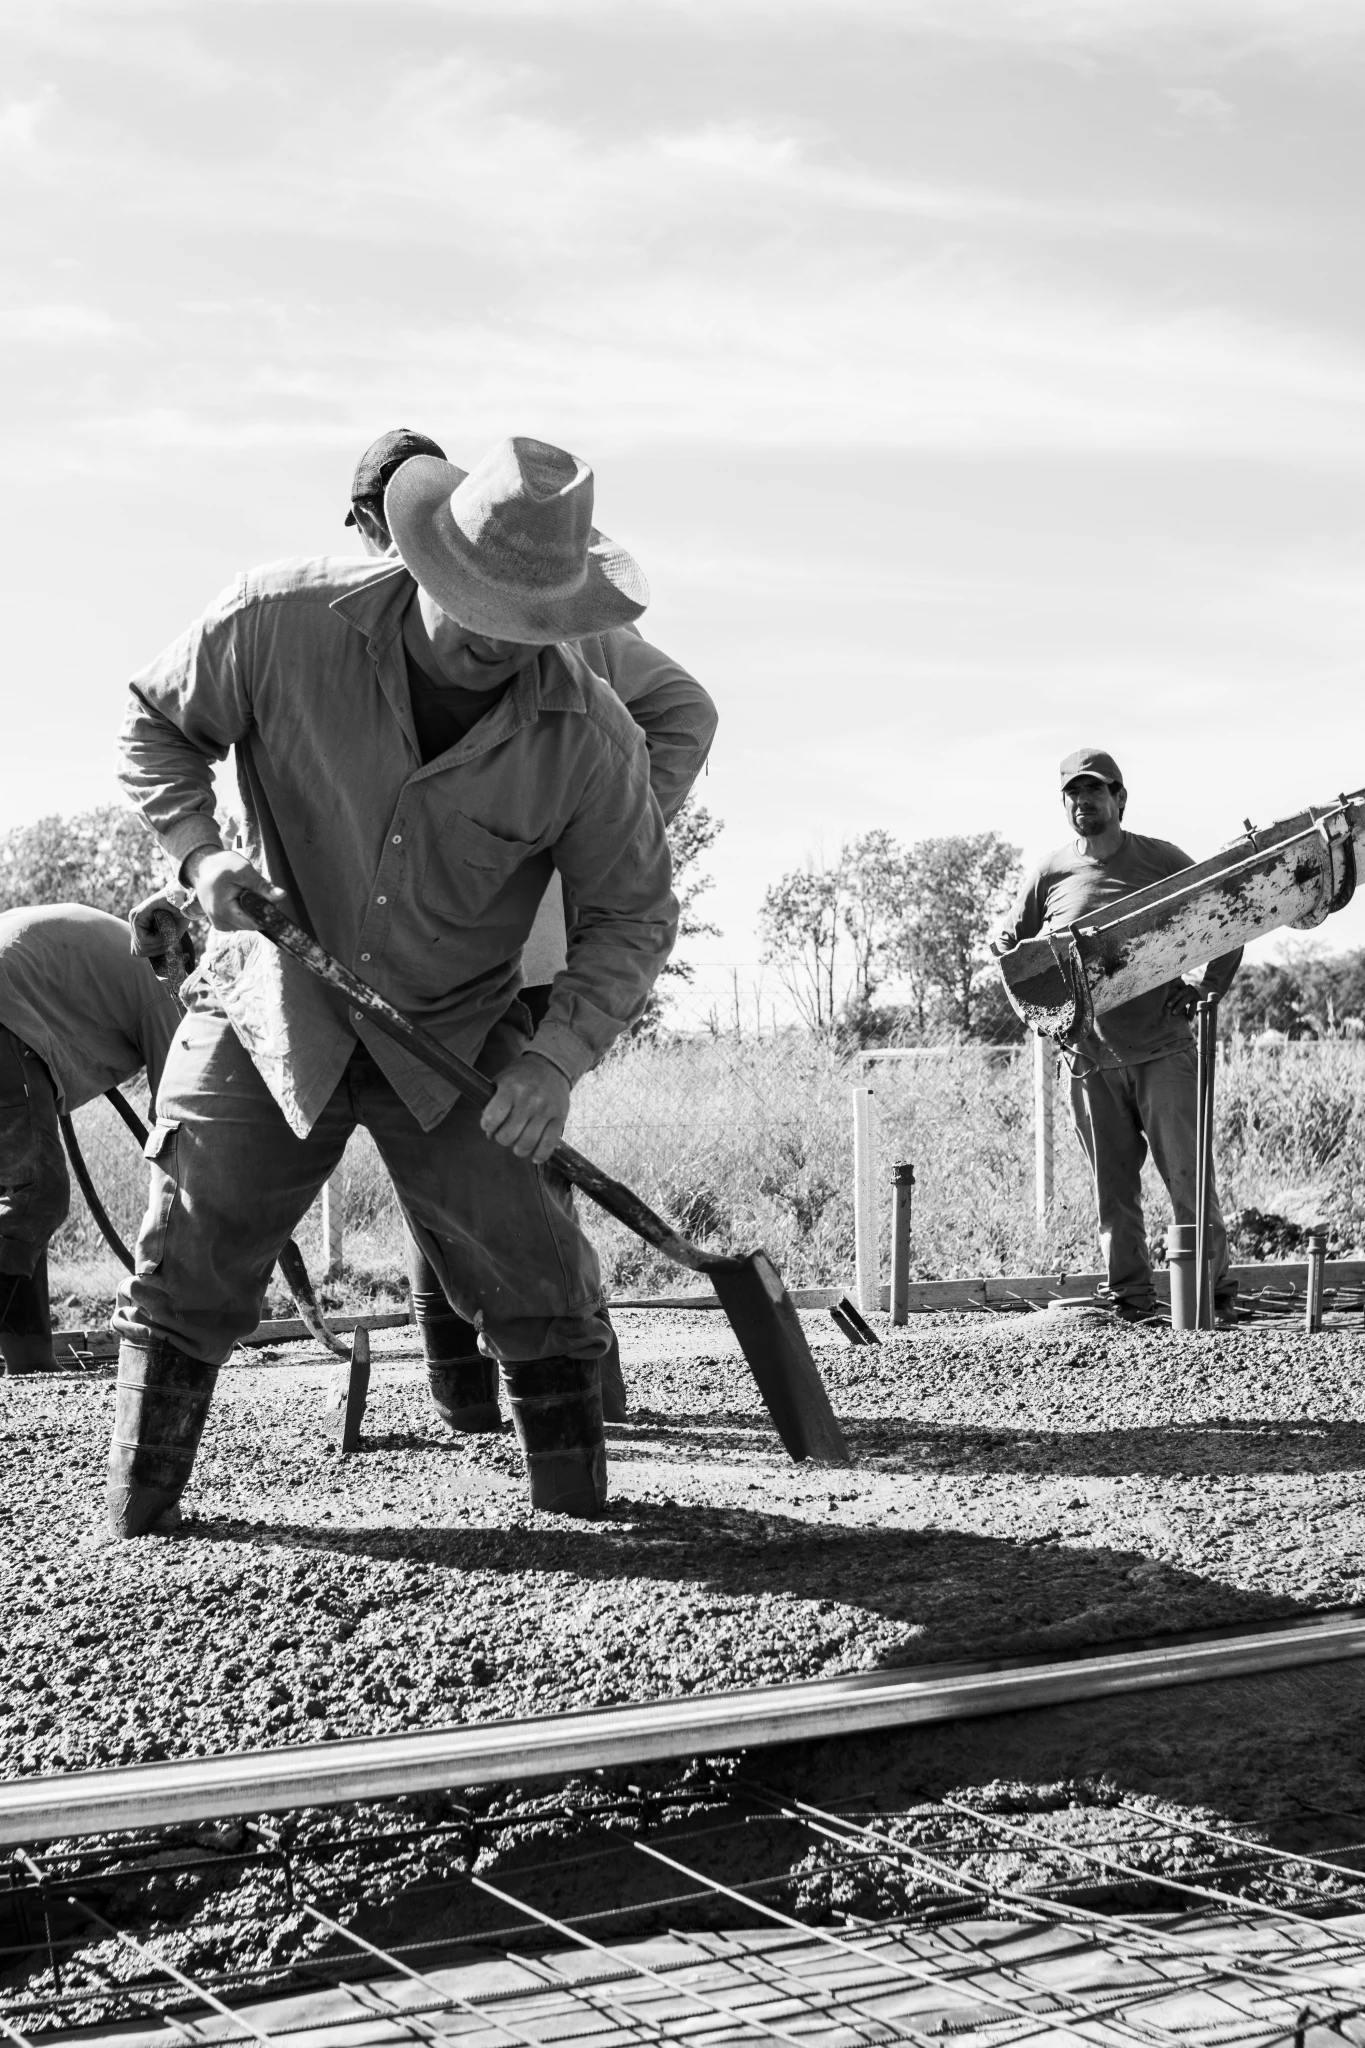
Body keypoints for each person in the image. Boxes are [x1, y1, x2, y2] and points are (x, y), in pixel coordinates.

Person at [112, 435, 679, 1535]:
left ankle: (582, 1517)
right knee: (190, 1241)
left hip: (455, 1031)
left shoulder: (590, 738)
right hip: (277, 998)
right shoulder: (274, 621)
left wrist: (554, 1057)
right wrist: (199, 853)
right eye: (470, 605)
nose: (488, 642)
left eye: (522, 627)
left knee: (534, 1272)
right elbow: (156, 725)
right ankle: (139, 1521)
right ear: (421, 556)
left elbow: (631, 916)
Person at [344, 429, 717, 1432]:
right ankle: (468, 1397)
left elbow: (684, 709)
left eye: (379, 527)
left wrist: (599, 842)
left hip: (518, 952)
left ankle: (578, 1390)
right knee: (447, 1160)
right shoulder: (359, 638)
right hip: (423, 945)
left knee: (507, 1159)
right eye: (369, 532)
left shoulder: (558, 638)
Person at [993, 748, 1242, 1324]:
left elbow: (1230, 909)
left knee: (1189, 1179)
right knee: (1114, 1193)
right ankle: (1131, 1299)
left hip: (1164, 1052)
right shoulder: (1050, 873)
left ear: (1120, 799)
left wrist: (1210, 988)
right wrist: (1010, 952)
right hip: (1087, 1059)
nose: (1083, 802)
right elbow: (1011, 945)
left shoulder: (1160, 859)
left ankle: (1211, 1294)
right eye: (1073, 794)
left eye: (1095, 791)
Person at [0, 905, 180, 1372]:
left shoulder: (117, 950)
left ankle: (30, 1360)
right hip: (6, 1020)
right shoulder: (164, 993)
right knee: (37, 1195)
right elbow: (180, 1120)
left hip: (12, 1011)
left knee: (19, 1204)